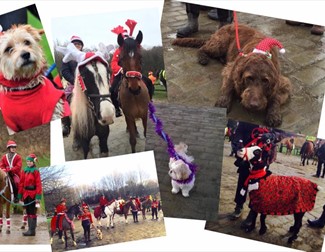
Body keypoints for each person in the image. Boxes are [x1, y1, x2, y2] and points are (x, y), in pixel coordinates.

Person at [228, 122, 282, 221]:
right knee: (242, 180)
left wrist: (272, 135)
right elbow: (240, 129)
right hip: (247, 151)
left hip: (265, 155)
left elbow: (280, 133)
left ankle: (253, 212)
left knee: (259, 186)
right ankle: (239, 205)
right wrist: (239, 142)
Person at [109, 19, 154, 118]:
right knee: (112, 90)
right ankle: (117, 108)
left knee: (149, 82)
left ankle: (150, 100)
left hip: (135, 72)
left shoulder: (135, 48)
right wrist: (120, 69)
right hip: (122, 73)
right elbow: (113, 63)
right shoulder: (118, 51)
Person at [60, 35, 84, 138]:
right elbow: (64, 71)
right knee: (63, 101)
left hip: (86, 83)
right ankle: (66, 125)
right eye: (75, 44)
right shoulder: (67, 58)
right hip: (72, 84)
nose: (77, 46)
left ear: (81, 46)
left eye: (79, 44)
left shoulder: (85, 56)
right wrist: (74, 81)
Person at [17, 154, 42, 236]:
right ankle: (30, 230)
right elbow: (21, 183)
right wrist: (20, 195)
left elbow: (38, 184)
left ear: (33, 162)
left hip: (33, 194)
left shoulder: (36, 171)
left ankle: (32, 230)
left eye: (30, 161)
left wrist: (38, 196)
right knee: (27, 211)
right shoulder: (24, 170)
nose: (29, 163)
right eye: (27, 161)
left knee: (32, 212)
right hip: (25, 194)